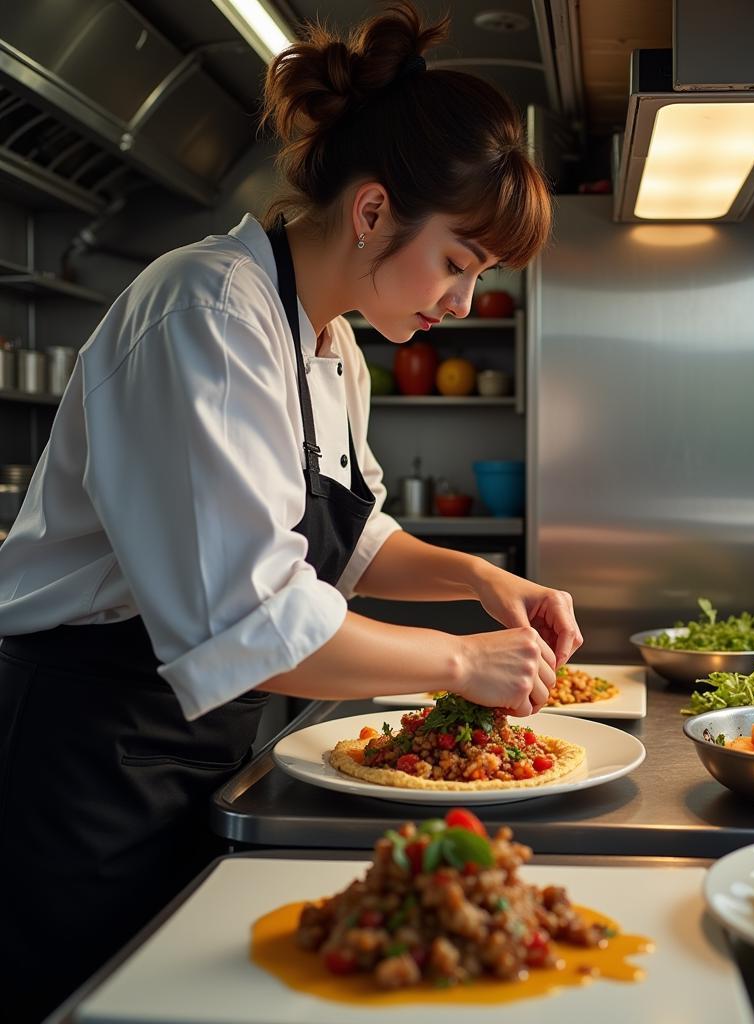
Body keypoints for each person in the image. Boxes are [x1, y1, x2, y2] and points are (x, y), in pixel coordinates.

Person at [0, 3, 580, 1018]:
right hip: (83, 754)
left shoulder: (327, 344)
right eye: (457, 262)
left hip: (197, 743)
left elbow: (347, 539)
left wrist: (483, 580)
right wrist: (461, 660)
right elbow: (254, 619)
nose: (461, 305)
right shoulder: (206, 317)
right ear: (371, 212)